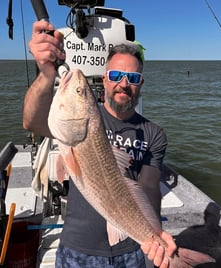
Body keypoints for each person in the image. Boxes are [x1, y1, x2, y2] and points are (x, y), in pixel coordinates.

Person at [23, 20, 177, 268]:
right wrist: (46, 73)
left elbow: (148, 187)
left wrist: (155, 233)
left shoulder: (154, 134)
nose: (123, 84)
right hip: (78, 248)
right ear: (105, 80)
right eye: (116, 75)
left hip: (131, 249)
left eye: (132, 77)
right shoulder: (82, 123)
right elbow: (31, 122)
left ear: (141, 84)